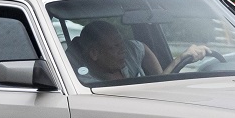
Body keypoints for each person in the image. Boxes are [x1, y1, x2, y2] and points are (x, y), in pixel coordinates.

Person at [72, 20, 210, 83]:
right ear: (94, 53)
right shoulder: (84, 82)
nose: (123, 50)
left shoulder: (131, 52)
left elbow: (160, 81)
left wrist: (181, 59)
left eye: (122, 44)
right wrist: (178, 60)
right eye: (114, 47)